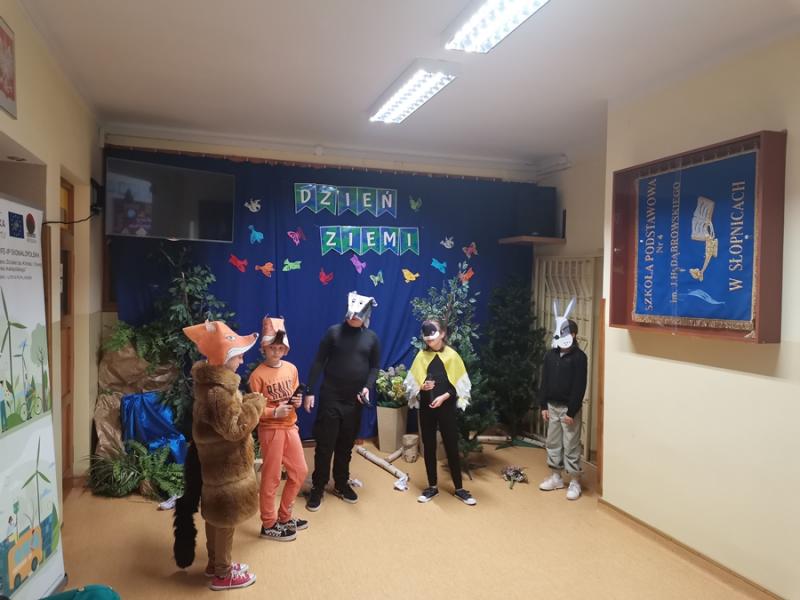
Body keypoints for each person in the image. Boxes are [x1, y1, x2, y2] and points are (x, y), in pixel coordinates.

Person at [181, 320, 265, 591]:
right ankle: (224, 573)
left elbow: (224, 421)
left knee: (215, 517)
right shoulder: (218, 392)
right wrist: (256, 404)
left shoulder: (214, 386)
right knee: (226, 520)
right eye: (238, 356)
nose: (242, 360)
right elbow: (234, 429)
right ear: (225, 357)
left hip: (216, 467)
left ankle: (215, 563)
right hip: (227, 470)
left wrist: (244, 402)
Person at [304, 292, 380, 511]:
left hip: (354, 400)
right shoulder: (333, 332)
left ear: (366, 315)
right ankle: (318, 486)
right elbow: (319, 361)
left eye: (359, 314)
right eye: (352, 313)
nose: (354, 317)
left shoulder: (372, 338)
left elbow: (374, 367)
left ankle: (340, 483)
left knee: (346, 445)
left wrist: (367, 387)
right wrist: (310, 391)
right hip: (331, 397)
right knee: (325, 444)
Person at [248, 317, 309, 542]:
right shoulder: (257, 376)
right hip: (271, 430)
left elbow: (294, 394)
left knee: (299, 471)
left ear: (285, 349)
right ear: (264, 348)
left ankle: (284, 517)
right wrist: (274, 412)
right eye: (272, 348)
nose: (276, 352)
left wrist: (297, 401)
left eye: (280, 348)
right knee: (272, 477)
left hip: (290, 426)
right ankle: (269, 523)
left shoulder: (291, 369)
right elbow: (254, 410)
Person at [404, 319, 476, 506]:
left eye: (432, 334)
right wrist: (422, 386)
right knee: (428, 447)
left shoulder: (452, 356)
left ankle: (459, 488)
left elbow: (458, 386)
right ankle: (432, 486)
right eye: (425, 335)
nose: (429, 338)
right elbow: (413, 385)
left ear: (443, 333)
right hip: (427, 410)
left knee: (451, 445)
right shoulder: (421, 357)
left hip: (446, 409)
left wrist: (444, 396)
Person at [538, 316, 588, 501]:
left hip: (568, 409)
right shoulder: (550, 355)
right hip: (552, 406)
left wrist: (571, 411)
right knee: (553, 443)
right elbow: (544, 381)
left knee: (571, 444)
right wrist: (543, 405)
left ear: (573, 335)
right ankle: (556, 477)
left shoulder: (579, 358)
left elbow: (579, 386)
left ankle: (575, 480)